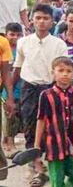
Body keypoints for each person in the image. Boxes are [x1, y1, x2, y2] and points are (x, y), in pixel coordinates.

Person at [10, 4, 68, 187]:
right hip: (29, 88)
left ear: (52, 21)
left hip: (51, 89)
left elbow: (63, 70)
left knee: (53, 128)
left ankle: (53, 165)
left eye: (45, 18)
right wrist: (10, 95)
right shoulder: (23, 42)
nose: (41, 22)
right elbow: (17, 69)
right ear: (32, 20)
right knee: (29, 126)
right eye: (38, 18)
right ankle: (37, 167)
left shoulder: (59, 44)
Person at [34, 57, 73, 187]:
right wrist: (37, 144)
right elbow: (41, 119)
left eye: (69, 71)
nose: (65, 74)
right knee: (57, 180)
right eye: (60, 70)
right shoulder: (46, 95)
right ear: (53, 73)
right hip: (54, 143)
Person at [2, 22, 23, 154]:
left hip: (19, 86)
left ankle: (9, 140)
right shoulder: (3, 48)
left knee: (14, 115)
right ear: (6, 35)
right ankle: (9, 143)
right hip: (6, 86)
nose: (15, 37)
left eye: (18, 35)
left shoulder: (20, 49)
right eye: (12, 34)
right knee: (8, 115)